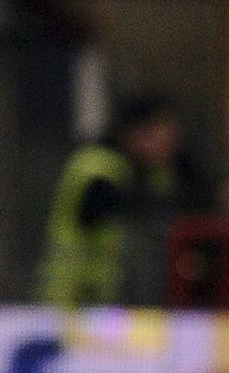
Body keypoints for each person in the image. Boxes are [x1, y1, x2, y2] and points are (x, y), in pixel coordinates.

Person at [41, 95, 213, 306]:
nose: (168, 147)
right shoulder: (97, 166)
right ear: (135, 134)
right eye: (159, 137)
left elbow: (198, 199)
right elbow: (122, 207)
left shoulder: (156, 171)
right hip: (75, 299)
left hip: (118, 302)